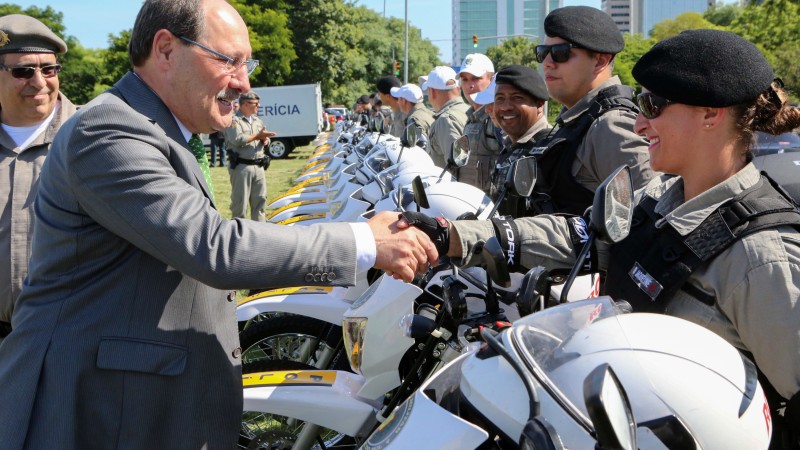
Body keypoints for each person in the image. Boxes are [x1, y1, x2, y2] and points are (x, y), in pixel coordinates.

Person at [0, 1, 437, 448]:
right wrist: (364, 240)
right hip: (95, 407)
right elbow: (214, 248)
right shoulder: (109, 129)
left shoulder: (156, 129)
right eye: (229, 60)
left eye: (248, 64)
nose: (244, 81)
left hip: (133, 398)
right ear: (166, 49)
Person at [408, 29, 800, 448]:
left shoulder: (761, 256)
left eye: (652, 105)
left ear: (710, 113)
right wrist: (455, 235)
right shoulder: (660, 197)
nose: (638, 122)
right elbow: (580, 234)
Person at [528, 6, 655, 216]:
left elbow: (651, 213)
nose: (548, 63)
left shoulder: (612, 125)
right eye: (543, 53)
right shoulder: (578, 120)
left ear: (600, 60)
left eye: (561, 53)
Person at [0, 14, 77, 340]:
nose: (40, 81)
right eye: (23, 71)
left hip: (70, 337)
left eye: (49, 69)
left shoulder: (93, 138)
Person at [488, 65, 552, 215]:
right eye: (500, 99)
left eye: (517, 98)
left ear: (539, 104)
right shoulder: (510, 147)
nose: (506, 107)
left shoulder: (551, 149)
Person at [457, 53, 501, 194]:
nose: (470, 85)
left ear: (491, 79)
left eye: (476, 78)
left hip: (489, 208)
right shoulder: (471, 117)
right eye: (465, 79)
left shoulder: (496, 117)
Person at [224, 90, 270, 221]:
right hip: (241, 167)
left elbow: (264, 138)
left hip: (259, 166)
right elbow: (237, 139)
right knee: (240, 204)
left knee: (260, 202)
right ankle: (240, 236)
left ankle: (260, 234)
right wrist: (257, 136)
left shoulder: (257, 121)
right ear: (245, 104)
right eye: (255, 104)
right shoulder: (233, 121)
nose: (258, 106)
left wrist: (265, 141)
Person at [423, 66, 470, 169]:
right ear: (457, 89)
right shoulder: (468, 110)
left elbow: (456, 168)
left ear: (433, 92)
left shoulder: (446, 120)